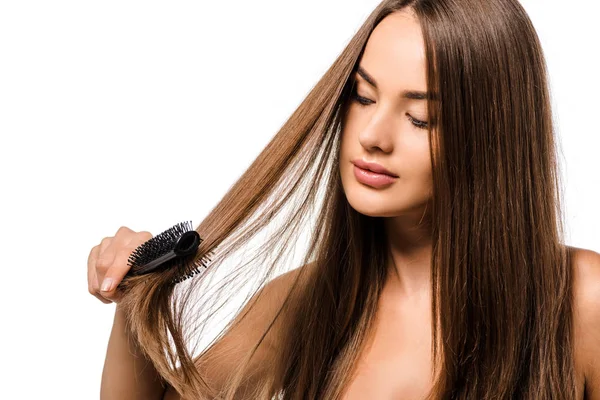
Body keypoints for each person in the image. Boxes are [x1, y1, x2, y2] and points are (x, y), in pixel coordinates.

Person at [89, 0, 600, 399]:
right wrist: (135, 294)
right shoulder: (308, 301)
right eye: (363, 96)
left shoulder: (581, 301)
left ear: (494, 137)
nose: (373, 135)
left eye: (421, 118)